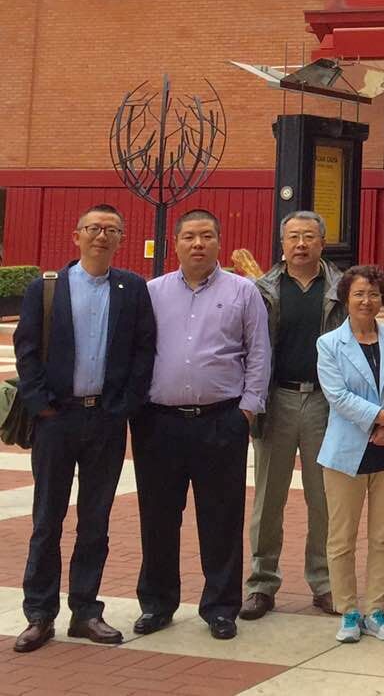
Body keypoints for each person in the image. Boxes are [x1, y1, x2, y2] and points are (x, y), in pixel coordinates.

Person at [12, 205, 156, 653]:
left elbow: (144, 350)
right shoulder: (46, 288)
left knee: (96, 519)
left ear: (121, 239)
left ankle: (86, 611)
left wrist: (124, 406)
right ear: (76, 236)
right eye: (93, 228)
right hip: (57, 419)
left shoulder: (131, 288)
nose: (101, 236)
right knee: (47, 519)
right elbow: (27, 349)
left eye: (111, 230)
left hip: (106, 419)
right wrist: (41, 405)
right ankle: (39, 614)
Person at [132, 209, 271, 641]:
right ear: (175, 243)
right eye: (190, 236)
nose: (198, 244)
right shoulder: (152, 292)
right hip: (159, 423)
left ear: (219, 242)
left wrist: (247, 410)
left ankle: (221, 607)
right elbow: (137, 350)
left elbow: (258, 352)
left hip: (221, 421)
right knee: (158, 517)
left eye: (207, 236)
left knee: (222, 518)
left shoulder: (243, 291)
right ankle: (157, 604)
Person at [241, 212, 346, 621]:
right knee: (268, 498)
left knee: (325, 498)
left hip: (325, 403)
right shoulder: (260, 290)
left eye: (309, 237)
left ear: (322, 242)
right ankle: (261, 583)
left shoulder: (341, 287)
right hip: (277, 400)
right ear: (282, 243)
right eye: (293, 237)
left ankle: (325, 582)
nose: (301, 244)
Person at [316, 265, 384, 644]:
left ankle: (376, 610)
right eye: (358, 293)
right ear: (346, 298)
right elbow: (337, 396)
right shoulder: (329, 344)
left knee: (383, 537)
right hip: (346, 453)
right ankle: (348, 612)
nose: (366, 301)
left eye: (373, 294)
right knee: (341, 538)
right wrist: (382, 418)